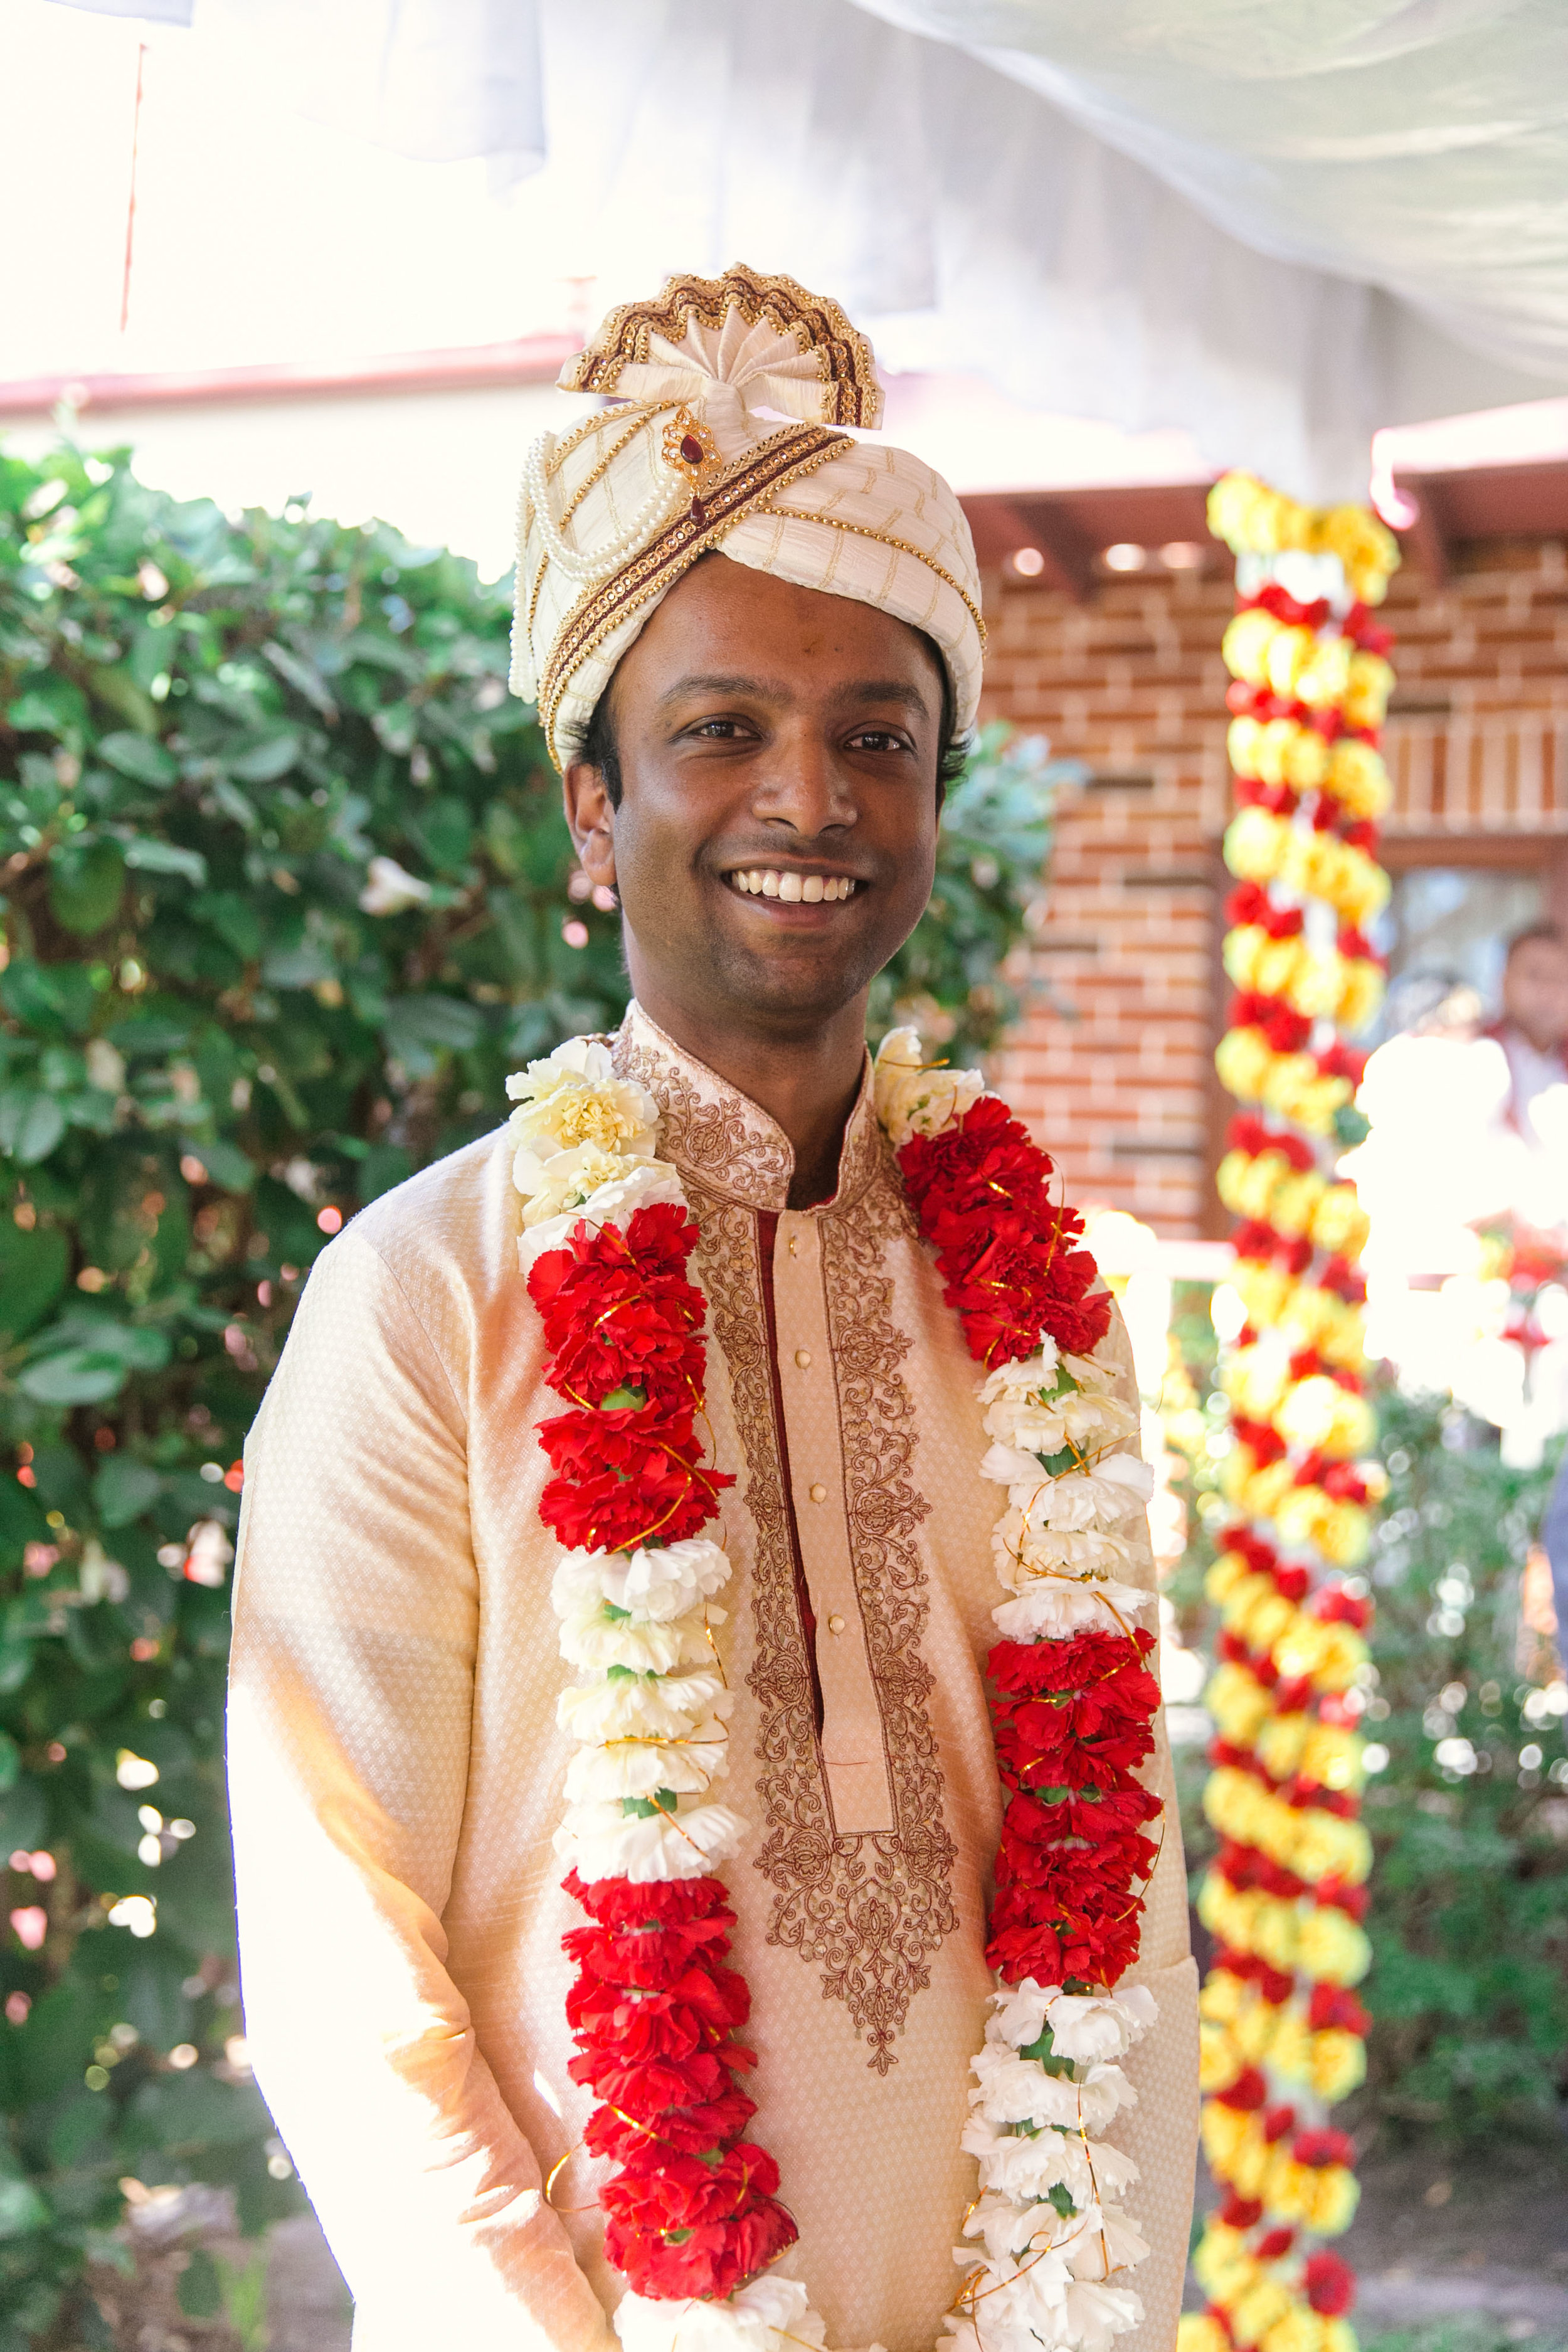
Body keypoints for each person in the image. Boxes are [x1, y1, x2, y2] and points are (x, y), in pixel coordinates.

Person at [227, 267, 1197, 2352]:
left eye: (876, 741)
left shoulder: (1039, 1310)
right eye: (720, 731)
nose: (808, 800)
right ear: (596, 806)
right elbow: (340, 1951)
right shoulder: (423, 1293)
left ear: (932, 797)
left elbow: (1122, 1898)